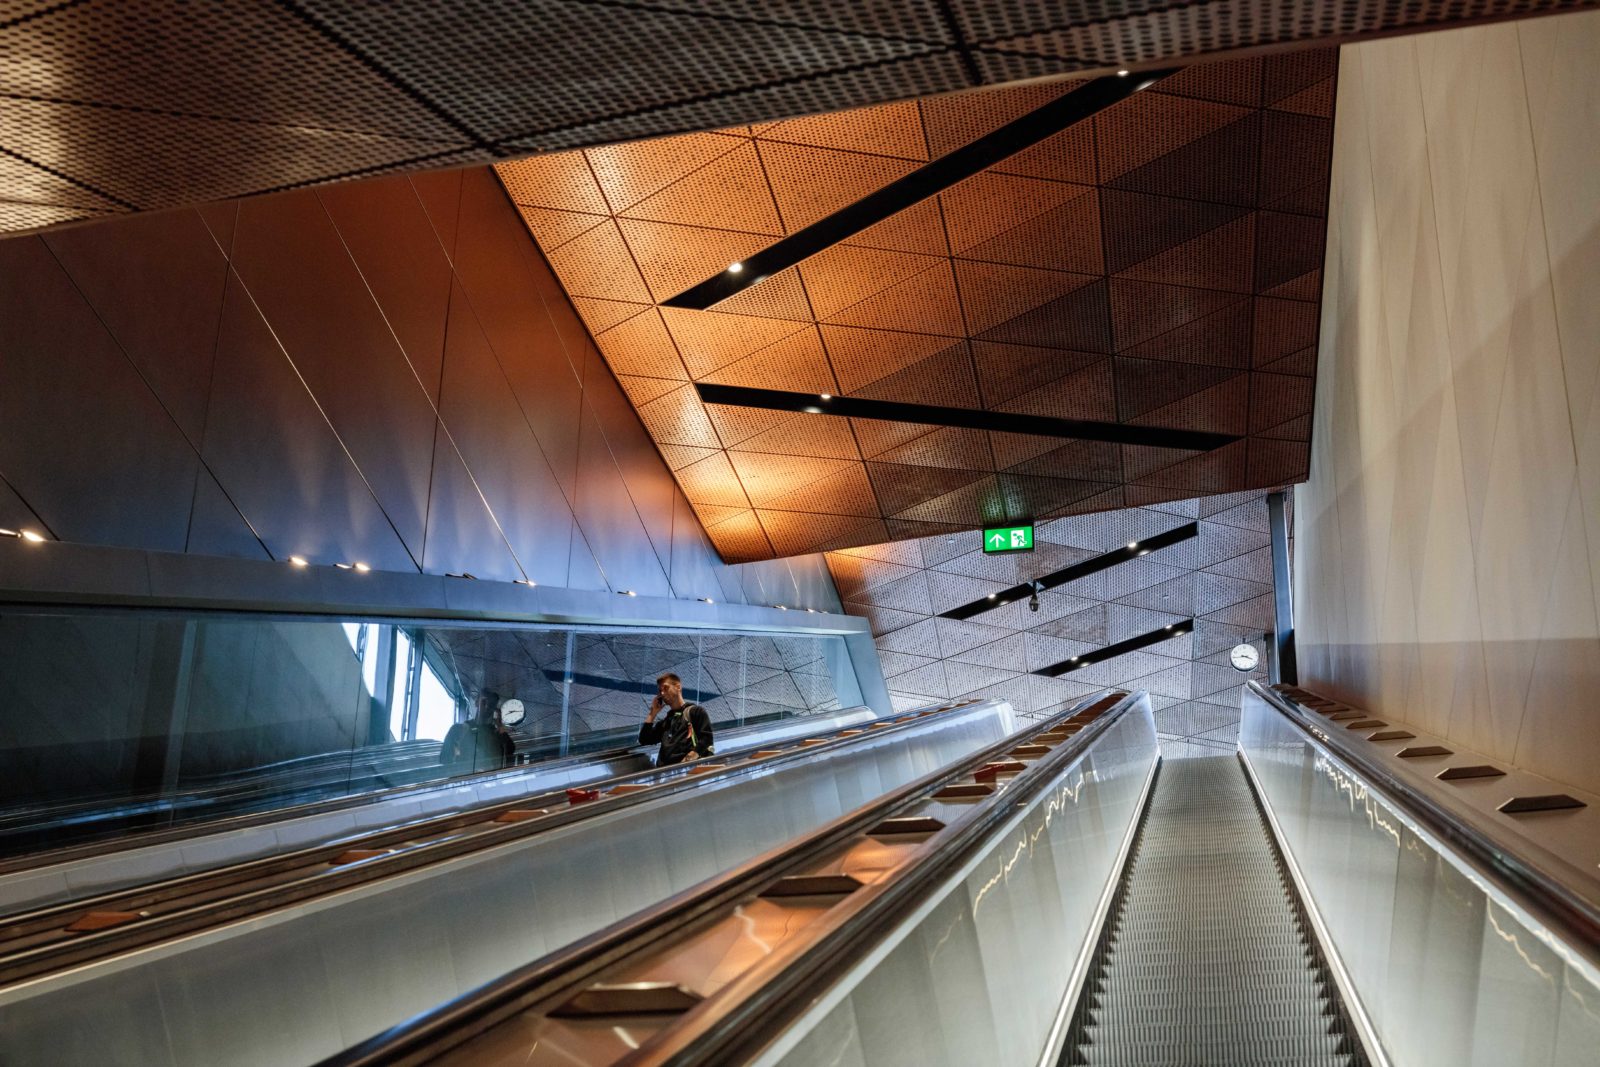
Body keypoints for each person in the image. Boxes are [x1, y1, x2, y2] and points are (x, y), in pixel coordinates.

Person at [639, 672, 714, 766]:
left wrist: (687, 761)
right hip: (664, 774)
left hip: (684, 772)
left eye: (666, 688)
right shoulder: (666, 722)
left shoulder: (695, 712)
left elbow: (707, 739)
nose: (662, 693)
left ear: (678, 687)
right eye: (660, 690)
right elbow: (644, 739)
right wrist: (652, 713)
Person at [439, 691, 516, 774]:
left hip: (492, 779)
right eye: (484, 702)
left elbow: (510, 750)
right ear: (476, 702)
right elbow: (445, 759)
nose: (487, 706)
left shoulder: (497, 733)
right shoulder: (459, 729)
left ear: (495, 709)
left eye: (491, 704)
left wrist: (500, 726)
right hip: (467, 779)